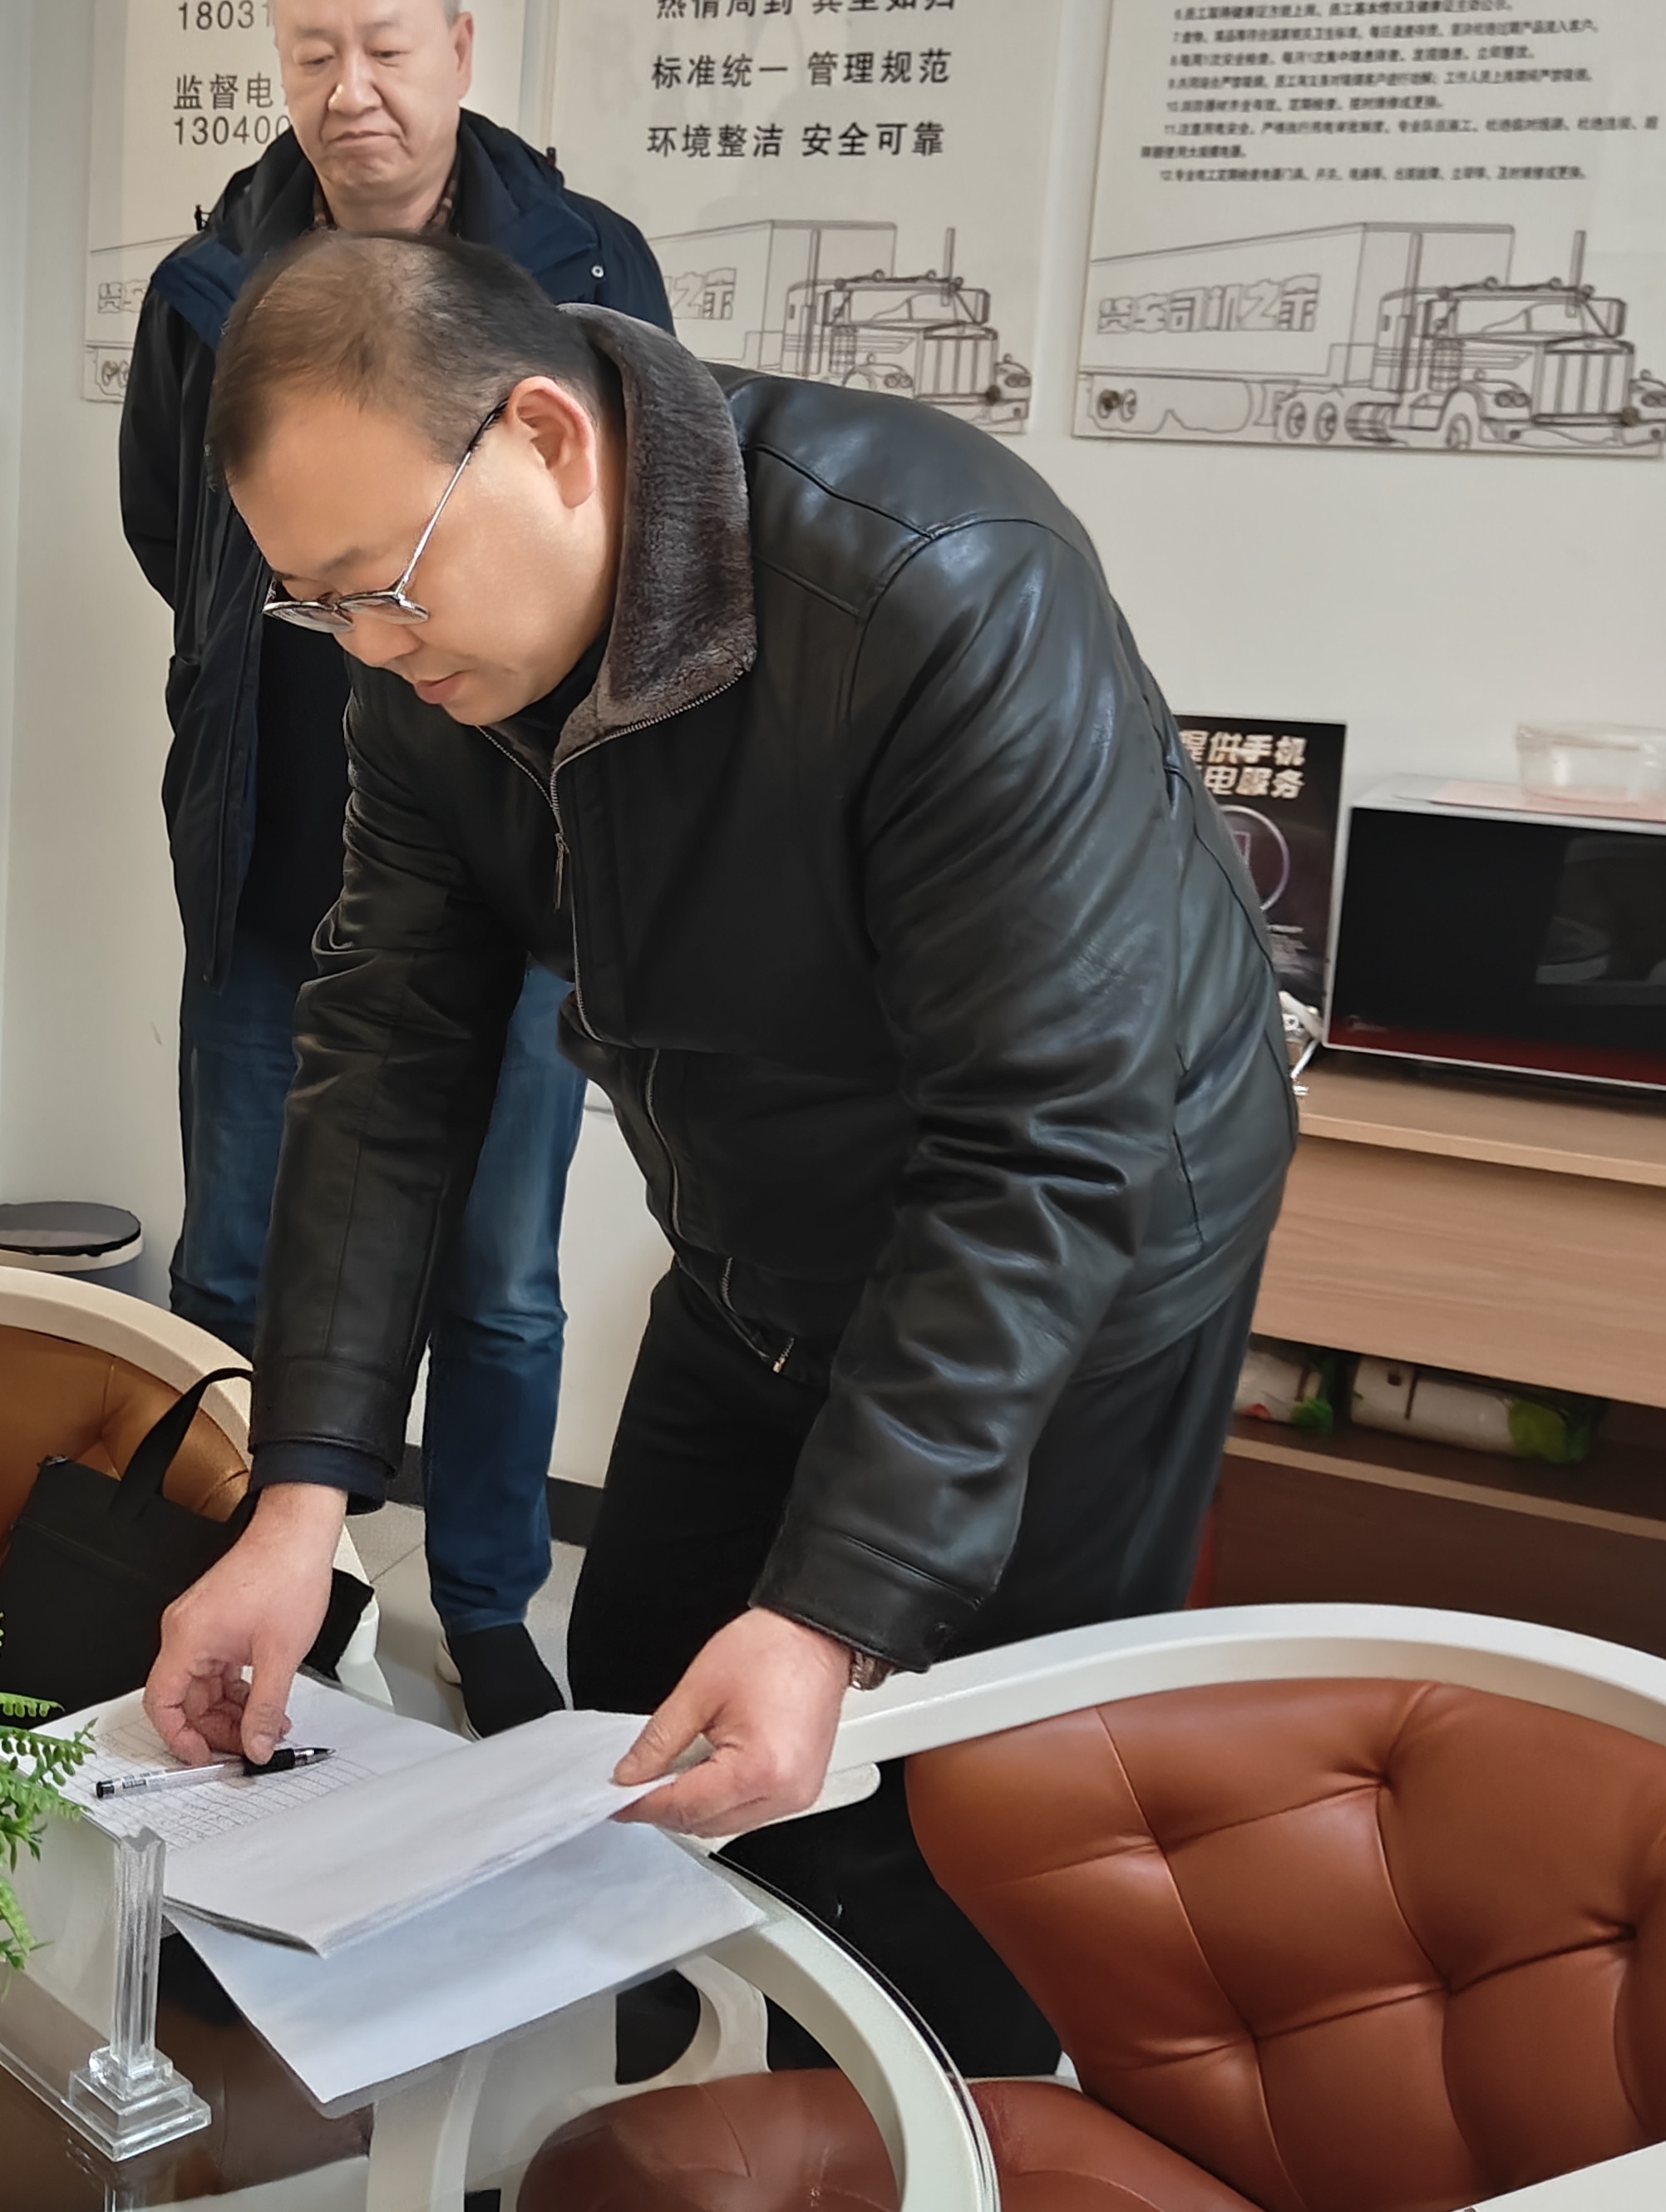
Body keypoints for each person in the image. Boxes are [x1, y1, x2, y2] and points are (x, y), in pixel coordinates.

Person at [142, 233, 1297, 2068]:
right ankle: (673, 2095)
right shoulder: (428, 664)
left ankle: (922, 2133)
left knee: (963, 1820)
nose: (367, 644)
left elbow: (1044, 1144)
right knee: (648, 1694)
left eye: (382, 588)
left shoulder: (934, 583)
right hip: (756, 1229)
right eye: (320, 607)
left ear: (547, 438)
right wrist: (301, 1505)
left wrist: (833, 1610)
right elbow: (388, 1056)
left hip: (1083, 1257)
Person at [120, 0, 673, 1736]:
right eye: (311, 54)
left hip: (517, 856)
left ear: (457, 49)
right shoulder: (207, 286)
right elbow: (176, 537)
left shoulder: (587, 268)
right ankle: (247, 1574)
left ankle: (488, 1603)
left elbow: (636, 537)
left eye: (383, 47)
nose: (348, 90)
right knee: (232, 1255)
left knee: (500, 1279)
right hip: (267, 846)